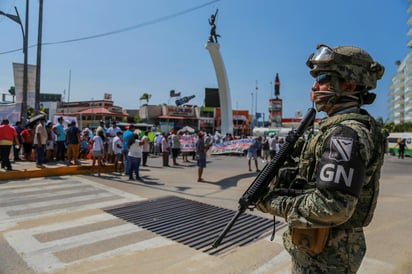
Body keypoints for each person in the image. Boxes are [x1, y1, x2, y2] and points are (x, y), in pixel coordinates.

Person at [256, 44, 386, 273]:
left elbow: (332, 205)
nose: (315, 86)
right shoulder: (344, 129)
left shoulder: (345, 134)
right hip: (321, 250)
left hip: (327, 258)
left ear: (349, 83)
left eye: (324, 78)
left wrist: (272, 202)